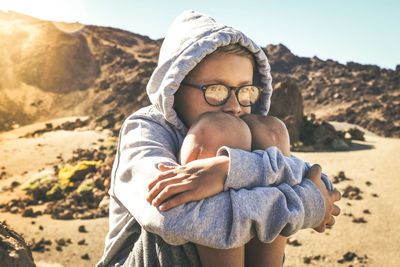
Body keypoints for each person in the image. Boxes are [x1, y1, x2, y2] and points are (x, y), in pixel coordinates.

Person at [97, 10, 341, 267]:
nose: (235, 105)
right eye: (216, 90)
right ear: (175, 88)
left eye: (245, 90)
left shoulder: (252, 128)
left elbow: (318, 181)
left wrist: (227, 170)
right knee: (219, 131)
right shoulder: (145, 128)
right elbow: (171, 218)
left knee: (272, 130)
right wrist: (303, 203)